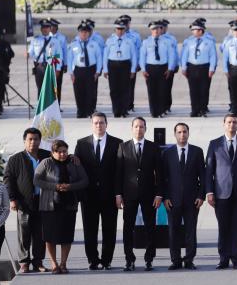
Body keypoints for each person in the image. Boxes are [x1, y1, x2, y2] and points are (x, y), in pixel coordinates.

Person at [205, 113, 237, 269]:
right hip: (221, 193)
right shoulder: (214, 144)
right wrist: (209, 192)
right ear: (224, 124)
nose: (232, 125)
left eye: (235, 122)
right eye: (229, 122)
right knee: (223, 227)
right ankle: (223, 258)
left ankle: (236, 259)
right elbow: (209, 170)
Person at [74, 112, 122, 270]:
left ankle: (107, 259)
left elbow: (119, 171)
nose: (99, 125)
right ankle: (93, 260)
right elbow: (76, 169)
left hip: (109, 196)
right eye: (96, 123)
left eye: (102, 122)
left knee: (109, 229)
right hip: (89, 196)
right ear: (91, 125)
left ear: (106, 124)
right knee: (90, 229)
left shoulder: (117, 143)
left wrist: (118, 194)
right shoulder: (82, 144)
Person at [34, 141, 89, 274]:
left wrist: (70, 186)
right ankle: (54, 264)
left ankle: (63, 264)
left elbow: (85, 181)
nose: (62, 154)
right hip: (49, 206)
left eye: (64, 151)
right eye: (59, 151)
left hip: (69, 205)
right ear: (53, 152)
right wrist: (55, 186)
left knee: (67, 236)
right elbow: (36, 180)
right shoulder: (46, 163)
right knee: (50, 236)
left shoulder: (74, 162)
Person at [116, 117, 163, 271]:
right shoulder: (123, 147)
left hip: (149, 194)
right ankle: (129, 259)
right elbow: (119, 172)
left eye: (141, 127)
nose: (139, 129)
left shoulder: (153, 147)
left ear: (145, 129)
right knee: (128, 228)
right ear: (132, 128)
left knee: (151, 227)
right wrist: (118, 194)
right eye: (136, 126)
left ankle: (149, 259)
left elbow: (159, 173)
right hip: (129, 194)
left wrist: (159, 194)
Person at [4, 128, 51, 274]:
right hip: (24, 202)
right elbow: (8, 180)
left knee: (40, 233)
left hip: (43, 202)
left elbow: (62, 159)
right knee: (24, 233)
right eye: (30, 139)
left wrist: (73, 157)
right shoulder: (15, 159)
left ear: (40, 140)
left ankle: (38, 262)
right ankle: (24, 262)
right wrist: (12, 199)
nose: (33, 142)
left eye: (36, 139)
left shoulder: (47, 156)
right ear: (25, 141)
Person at [161, 123, 205, 270]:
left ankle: (189, 260)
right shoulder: (167, 153)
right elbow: (163, 178)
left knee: (190, 230)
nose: (182, 135)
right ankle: (176, 260)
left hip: (192, 200)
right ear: (175, 134)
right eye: (179, 132)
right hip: (172, 200)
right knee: (173, 231)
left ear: (188, 133)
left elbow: (202, 177)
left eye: (184, 132)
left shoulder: (197, 152)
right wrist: (165, 197)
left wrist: (201, 196)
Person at [180, 20, 217, 117]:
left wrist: (212, 68)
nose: (193, 32)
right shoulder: (189, 41)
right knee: (193, 90)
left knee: (204, 89)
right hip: (192, 67)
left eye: (195, 30)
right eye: (192, 30)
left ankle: (203, 109)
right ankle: (194, 109)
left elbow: (213, 56)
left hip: (204, 67)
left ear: (201, 30)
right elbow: (185, 55)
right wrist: (183, 67)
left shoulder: (209, 42)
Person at [102, 19, 138, 118]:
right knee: (114, 89)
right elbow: (105, 55)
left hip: (125, 65)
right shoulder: (110, 41)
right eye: (118, 29)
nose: (120, 31)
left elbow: (134, 56)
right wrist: (105, 69)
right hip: (112, 65)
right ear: (115, 29)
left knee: (125, 89)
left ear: (125, 29)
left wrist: (133, 70)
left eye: (122, 29)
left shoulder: (130, 41)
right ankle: (116, 110)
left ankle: (124, 110)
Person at [139, 22, 176, 118]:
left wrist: (170, 68)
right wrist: (143, 69)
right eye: (153, 29)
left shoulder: (167, 41)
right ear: (151, 30)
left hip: (163, 68)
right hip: (150, 68)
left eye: (158, 29)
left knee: (162, 91)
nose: (155, 31)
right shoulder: (146, 42)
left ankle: (161, 111)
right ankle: (153, 111)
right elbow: (142, 56)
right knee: (152, 91)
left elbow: (171, 56)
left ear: (161, 30)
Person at [67, 21, 103, 118]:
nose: (84, 34)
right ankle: (81, 111)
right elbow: (69, 59)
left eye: (86, 32)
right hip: (78, 70)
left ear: (89, 33)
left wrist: (98, 71)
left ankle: (90, 111)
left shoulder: (94, 44)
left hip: (91, 70)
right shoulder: (73, 44)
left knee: (91, 91)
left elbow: (99, 58)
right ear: (79, 33)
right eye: (82, 32)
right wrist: (71, 73)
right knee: (78, 91)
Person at [28, 19, 63, 91]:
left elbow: (59, 56)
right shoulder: (35, 40)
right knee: (40, 89)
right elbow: (31, 53)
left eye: (47, 27)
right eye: (43, 27)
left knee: (50, 90)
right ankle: (40, 102)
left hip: (50, 66)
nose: (45, 29)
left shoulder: (55, 41)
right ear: (41, 29)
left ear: (50, 29)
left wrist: (58, 69)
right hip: (39, 67)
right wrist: (28, 54)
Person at [47, 18, 68, 103]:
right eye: (51, 26)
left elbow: (65, 51)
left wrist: (65, 64)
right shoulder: (46, 37)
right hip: (47, 63)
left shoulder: (62, 38)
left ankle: (57, 104)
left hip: (57, 63)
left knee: (57, 85)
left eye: (54, 26)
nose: (53, 28)